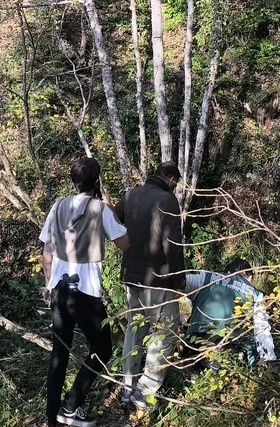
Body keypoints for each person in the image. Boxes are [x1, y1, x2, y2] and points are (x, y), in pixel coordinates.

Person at [40, 156, 131, 427]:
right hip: (86, 292)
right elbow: (124, 243)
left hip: (58, 289)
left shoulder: (58, 206)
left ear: (73, 181)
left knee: (59, 352)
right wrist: (111, 207)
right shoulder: (99, 210)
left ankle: (52, 417)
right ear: (97, 181)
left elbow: (46, 253)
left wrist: (48, 285)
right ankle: (71, 406)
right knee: (103, 347)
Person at [117, 161, 185, 410]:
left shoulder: (131, 195)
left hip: (131, 276)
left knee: (134, 330)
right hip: (158, 279)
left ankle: (127, 386)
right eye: (176, 183)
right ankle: (145, 391)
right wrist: (179, 281)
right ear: (171, 179)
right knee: (165, 332)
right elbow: (173, 246)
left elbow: (114, 222)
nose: (176, 187)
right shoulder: (167, 201)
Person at [181, 258, 276, 369]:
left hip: (195, 340)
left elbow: (179, 284)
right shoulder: (256, 295)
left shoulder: (206, 277)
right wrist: (269, 358)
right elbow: (262, 329)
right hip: (226, 344)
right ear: (248, 276)